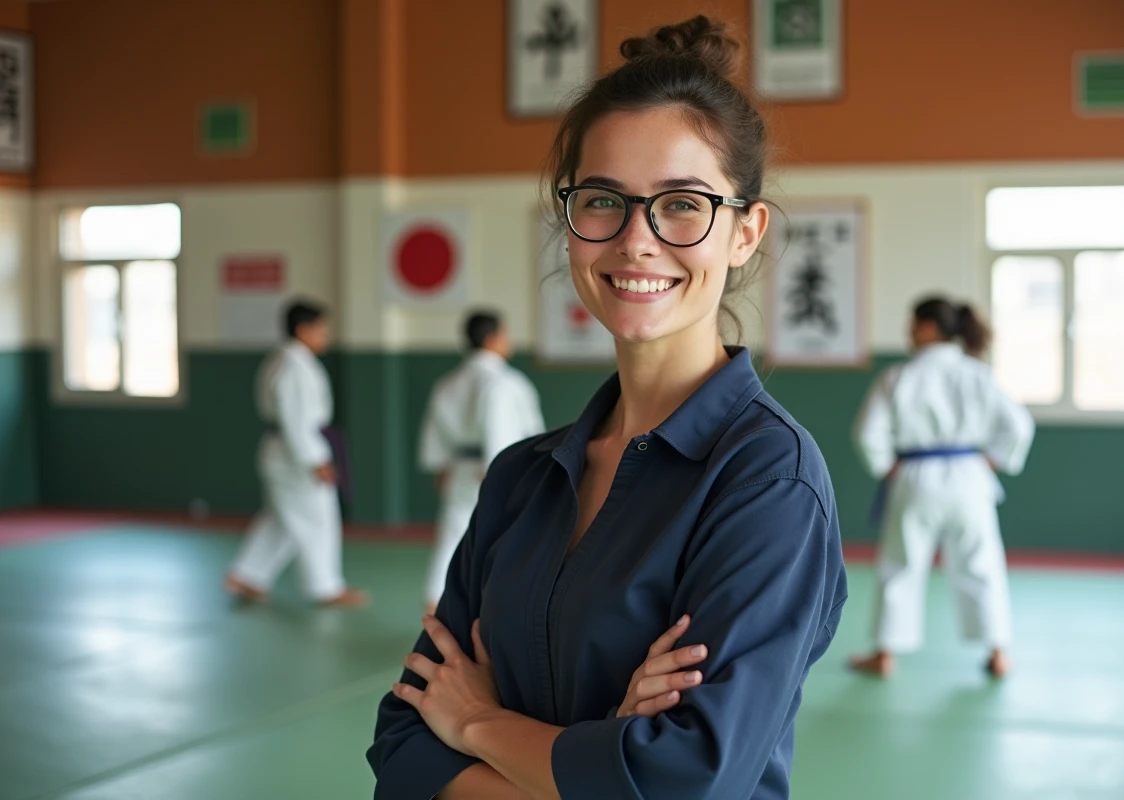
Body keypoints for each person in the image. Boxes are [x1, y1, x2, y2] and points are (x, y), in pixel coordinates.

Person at [368, 16, 847, 800]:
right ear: (569, 224)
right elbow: (401, 748)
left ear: (745, 232)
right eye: (602, 201)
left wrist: (479, 723)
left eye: (683, 204)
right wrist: (599, 761)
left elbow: (683, 781)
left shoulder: (767, 481)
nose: (636, 240)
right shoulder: (520, 477)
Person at [850, 296, 1034, 678]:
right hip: (970, 475)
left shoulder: (898, 377)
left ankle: (885, 655)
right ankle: (998, 653)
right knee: (981, 563)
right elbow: (1019, 425)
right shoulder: (978, 374)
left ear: (929, 328)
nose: (908, 332)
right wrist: (992, 461)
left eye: (913, 324)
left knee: (901, 564)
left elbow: (868, 433)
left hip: (915, 476)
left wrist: (886, 467)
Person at [224, 300, 368, 608]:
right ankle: (326, 587)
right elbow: (297, 420)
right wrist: (315, 460)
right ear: (303, 330)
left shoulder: (285, 361)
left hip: (285, 452)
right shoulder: (294, 368)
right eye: (321, 330)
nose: (326, 336)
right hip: (295, 456)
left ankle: (247, 575)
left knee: (282, 520)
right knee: (318, 519)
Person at [419, 310, 546, 615]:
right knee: (509, 534)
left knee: (454, 532)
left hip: (460, 467)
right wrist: (498, 468)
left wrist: (440, 465)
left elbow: (435, 429)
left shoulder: (449, 382)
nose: (508, 341)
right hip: (496, 468)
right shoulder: (503, 382)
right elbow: (500, 429)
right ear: (491, 339)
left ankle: (436, 598)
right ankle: (502, 605)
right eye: (505, 334)